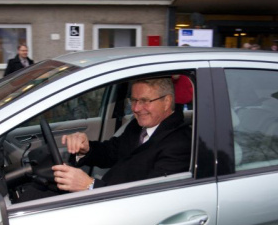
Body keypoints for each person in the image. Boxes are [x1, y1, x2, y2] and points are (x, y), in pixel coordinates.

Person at [52, 78, 191, 192]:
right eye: (134, 100)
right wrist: (86, 148)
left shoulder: (180, 144)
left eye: (144, 101)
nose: (136, 109)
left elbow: (150, 197)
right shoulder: (137, 126)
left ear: (167, 102)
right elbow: (110, 152)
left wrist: (89, 186)